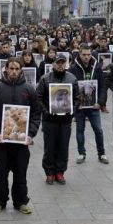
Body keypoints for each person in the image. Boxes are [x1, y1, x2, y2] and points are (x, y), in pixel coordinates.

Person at [0, 57, 41, 215]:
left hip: (21, 143)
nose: (14, 71)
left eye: (17, 69)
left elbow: (36, 114)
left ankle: (21, 201)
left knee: (21, 173)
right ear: (6, 69)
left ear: (21, 70)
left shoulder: (29, 89)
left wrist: (30, 134)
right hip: (2, 141)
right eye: (11, 68)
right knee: (0, 173)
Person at [36, 55, 79, 185]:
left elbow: (77, 98)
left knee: (63, 147)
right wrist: (46, 112)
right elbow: (38, 97)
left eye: (62, 63)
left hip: (65, 120)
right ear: (53, 64)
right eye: (58, 63)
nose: (60, 65)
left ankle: (60, 172)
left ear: (65, 64)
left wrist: (72, 112)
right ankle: (49, 172)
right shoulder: (45, 79)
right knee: (49, 147)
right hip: (50, 120)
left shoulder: (72, 78)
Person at [70, 44, 108, 164]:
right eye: (84, 54)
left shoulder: (97, 67)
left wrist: (100, 103)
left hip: (94, 105)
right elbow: (70, 88)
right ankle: (81, 153)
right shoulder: (73, 68)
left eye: (88, 54)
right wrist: (76, 104)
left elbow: (103, 87)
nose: (86, 57)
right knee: (80, 130)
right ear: (79, 54)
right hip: (80, 106)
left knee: (98, 130)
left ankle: (101, 153)